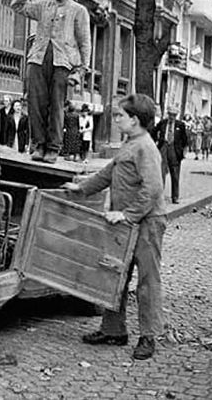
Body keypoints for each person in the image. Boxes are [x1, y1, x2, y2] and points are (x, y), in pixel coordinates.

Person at [63, 93, 166, 361]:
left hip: (147, 223)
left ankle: (148, 337)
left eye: (120, 116)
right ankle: (113, 330)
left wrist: (127, 215)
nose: (116, 120)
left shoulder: (146, 147)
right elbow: (109, 173)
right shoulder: (129, 143)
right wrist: (81, 188)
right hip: (126, 221)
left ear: (135, 120)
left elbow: (153, 188)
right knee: (115, 272)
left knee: (147, 280)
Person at [11, 0, 91, 164]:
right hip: (38, 58)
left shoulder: (79, 10)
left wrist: (81, 70)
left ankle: (53, 147)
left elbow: (85, 42)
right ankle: (38, 145)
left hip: (63, 62)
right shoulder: (43, 6)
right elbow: (16, 5)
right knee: (35, 104)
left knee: (56, 106)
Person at [152, 105, 187, 204]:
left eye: (174, 115)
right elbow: (154, 132)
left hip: (174, 150)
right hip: (163, 147)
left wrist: (182, 151)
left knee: (175, 174)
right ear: (168, 114)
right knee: (161, 172)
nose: (172, 117)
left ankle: (175, 196)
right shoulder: (162, 123)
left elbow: (184, 139)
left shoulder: (180, 125)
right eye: (170, 115)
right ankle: (159, 196)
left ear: (176, 115)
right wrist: (156, 143)